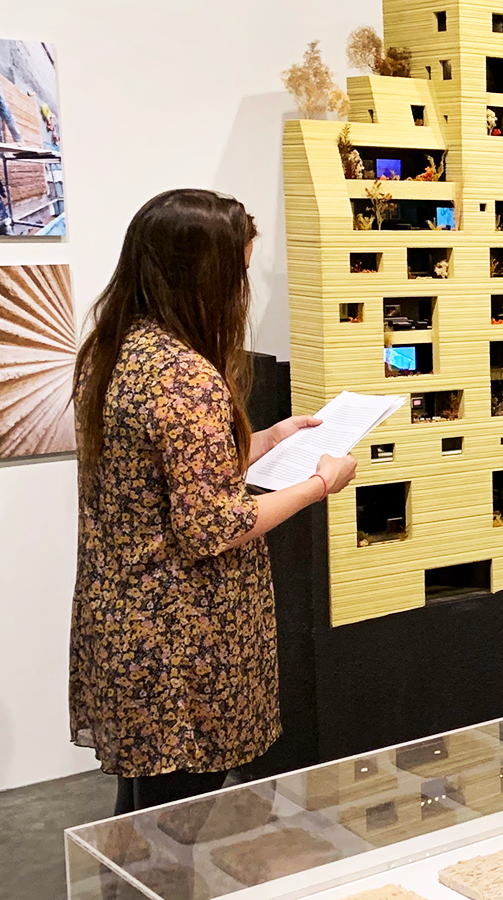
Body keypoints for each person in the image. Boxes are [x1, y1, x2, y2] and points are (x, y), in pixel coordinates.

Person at [69, 189, 358, 814]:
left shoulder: (116, 348)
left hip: (126, 619)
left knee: (143, 816)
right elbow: (214, 527)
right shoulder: (187, 376)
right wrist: (320, 483)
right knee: (177, 819)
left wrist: (267, 439)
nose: (242, 291)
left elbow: (159, 479)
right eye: (241, 272)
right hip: (181, 635)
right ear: (205, 276)